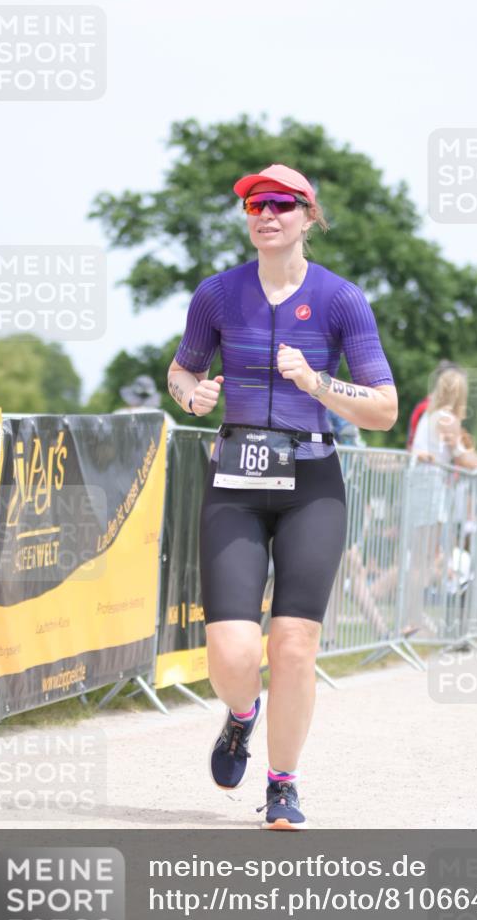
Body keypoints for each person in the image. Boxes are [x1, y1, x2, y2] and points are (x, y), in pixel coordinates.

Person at [166, 164, 397, 829]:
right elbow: (183, 370)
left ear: (307, 215)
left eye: (280, 204)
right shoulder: (217, 295)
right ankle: (242, 715)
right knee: (233, 654)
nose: (266, 214)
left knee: (293, 645)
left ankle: (282, 784)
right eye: (254, 206)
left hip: (312, 484)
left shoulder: (340, 300)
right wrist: (192, 395)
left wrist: (318, 383)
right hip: (235, 483)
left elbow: (384, 407)